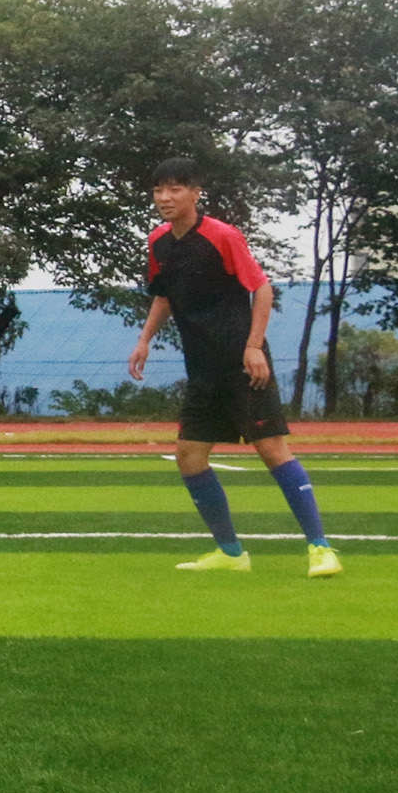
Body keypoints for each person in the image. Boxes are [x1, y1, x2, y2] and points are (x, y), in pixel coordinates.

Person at [125, 157, 340, 576]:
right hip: (202, 369)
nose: (165, 197)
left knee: (271, 448)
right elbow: (164, 295)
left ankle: (321, 549)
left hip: (242, 363)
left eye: (175, 189)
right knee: (189, 456)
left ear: (195, 193)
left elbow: (262, 289)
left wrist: (254, 347)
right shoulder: (158, 242)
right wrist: (144, 339)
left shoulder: (222, 235)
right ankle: (230, 553)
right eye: (158, 190)